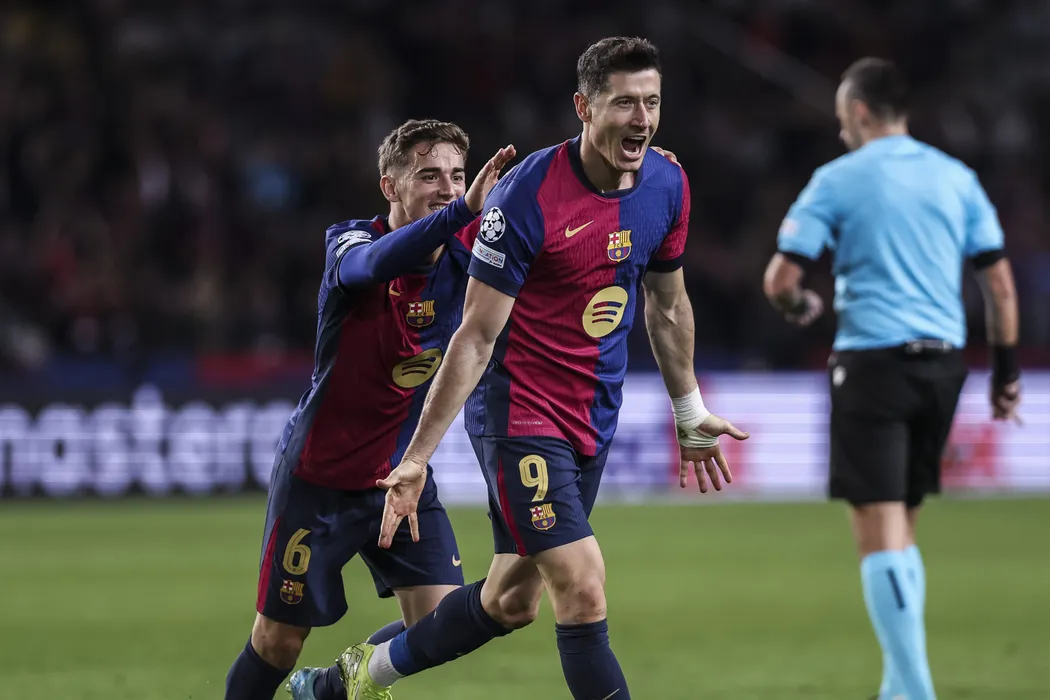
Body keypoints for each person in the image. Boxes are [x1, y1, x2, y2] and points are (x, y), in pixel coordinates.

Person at [335, 36, 748, 700]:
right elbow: (475, 336)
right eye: (624, 103)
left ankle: (355, 676)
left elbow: (668, 303)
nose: (642, 119)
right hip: (519, 413)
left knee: (510, 600)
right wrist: (416, 459)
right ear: (584, 108)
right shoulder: (527, 197)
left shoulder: (667, 183)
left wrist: (689, 409)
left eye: (652, 103)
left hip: (593, 415)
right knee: (582, 585)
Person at [222, 118, 515, 700]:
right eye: (429, 176)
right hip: (321, 480)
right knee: (278, 642)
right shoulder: (351, 241)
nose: (448, 189)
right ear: (390, 186)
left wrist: (625, 170)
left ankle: (330, 688)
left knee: (439, 622)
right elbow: (372, 267)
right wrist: (462, 213)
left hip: (399, 476)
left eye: (458, 176)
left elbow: (542, 231)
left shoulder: (468, 257)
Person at [762, 58, 1022, 700]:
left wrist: (800, 305)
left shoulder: (838, 178)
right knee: (902, 529)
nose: (840, 132)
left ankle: (916, 689)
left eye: (840, 119)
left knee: (877, 536)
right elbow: (999, 285)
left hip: (872, 365)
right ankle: (896, 687)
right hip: (944, 368)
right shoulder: (957, 177)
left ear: (858, 112)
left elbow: (781, 279)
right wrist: (1006, 374)